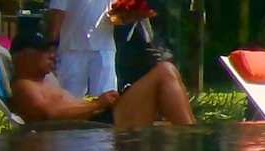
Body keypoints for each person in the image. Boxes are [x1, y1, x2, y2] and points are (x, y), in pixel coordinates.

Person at [10, 21, 194, 130]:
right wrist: (97, 104)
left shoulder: (45, 81)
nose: (52, 55)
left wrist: (100, 103)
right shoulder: (24, 86)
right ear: (22, 56)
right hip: (98, 125)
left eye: (52, 50)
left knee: (168, 71)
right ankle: (191, 137)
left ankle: (190, 130)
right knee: (164, 71)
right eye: (44, 50)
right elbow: (50, 115)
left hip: (100, 118)